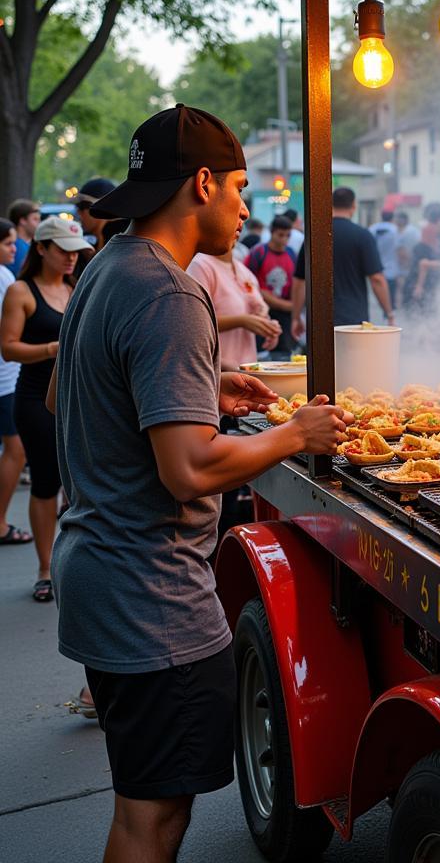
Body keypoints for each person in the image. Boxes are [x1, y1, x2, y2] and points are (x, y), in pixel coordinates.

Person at [49, 103, 348, 863]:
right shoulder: (174, 294)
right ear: (204, 183)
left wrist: (201, 388)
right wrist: (294, 435)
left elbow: (70, 395)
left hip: (100, 577)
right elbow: (187, 470)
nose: (248, 207)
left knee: (138, 810)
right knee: (155, 822)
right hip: (151, 600)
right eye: (241, 186)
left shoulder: (105, 267)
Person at [0, 216, 90, 601]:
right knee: (45, 483)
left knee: (77, 484)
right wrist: (54, 348)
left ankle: (71, 563)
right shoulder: (21, 290)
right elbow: (8, 347)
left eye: (76, 252)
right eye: (63, 251)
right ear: (40, 249)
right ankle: (44, 569)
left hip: (75, 399)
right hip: (35, 399)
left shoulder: (75, 286)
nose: (71, 259)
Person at [291, 186, 394, 339]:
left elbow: (300, 281)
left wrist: (296, 317)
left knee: (322, 363)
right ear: (353, 206)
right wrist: (388, 312)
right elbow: (377, 279)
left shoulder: (315, 235)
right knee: (352, 362)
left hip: (319, 319)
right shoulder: (362, 236)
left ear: (330, 204)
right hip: (353, 319)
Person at [187, 242, 280, 371]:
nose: (240, 223)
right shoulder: (200, 266)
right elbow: (195, 324)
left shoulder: (244, 271)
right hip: (217, 371)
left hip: (247, 369)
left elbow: (258, 310)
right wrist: (242, 321)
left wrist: (268, 327)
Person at [0, 217, 29, 547]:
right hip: (6, 382)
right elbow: (9, 343)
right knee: (15, 450)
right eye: (8, 243)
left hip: (7, 380)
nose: (13, 249)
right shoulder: (6, 279)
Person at [244, 215, 296, 358]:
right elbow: (247, 283)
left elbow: (296, 283)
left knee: (284, 355)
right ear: (272, 232)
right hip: (262, 312)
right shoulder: (258, 252)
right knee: (261, 355)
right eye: (280, 235)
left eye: (287, 235)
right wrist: (284, 304)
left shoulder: (291, 254)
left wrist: (294, 306)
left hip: (285, 316)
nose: (284, 239)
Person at [402, 205, 440, 319]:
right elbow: (424, 263)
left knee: (420, 316)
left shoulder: (428, 229)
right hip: (421, 283)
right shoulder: (433, 230)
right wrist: (419, 286)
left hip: (418, 281)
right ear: (439, 219)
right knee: (423, 315)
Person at [75, 178, 118, 251]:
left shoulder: (120, 244)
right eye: (77, 206)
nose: (78, 211)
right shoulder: (86, 245)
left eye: (83, 206)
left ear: (103, 207)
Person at [370, 209, 399, 308]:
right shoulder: (395, 230)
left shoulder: (372, 229)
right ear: (392, 217)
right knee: (391, 299)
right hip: (392, 270)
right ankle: (389, 316)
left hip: (375, 270)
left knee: (378, 298)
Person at [7, 199, 41, 277]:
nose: (39, 223)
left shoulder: (27, 244)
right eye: (35, 219)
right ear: (23, 221)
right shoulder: (15, 247)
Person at [395, 209, 421, 307]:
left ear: (402, 220)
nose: (395, 222)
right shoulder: (415, 230)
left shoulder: (403, 233)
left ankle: (404, 310)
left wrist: (405, 263)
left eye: (397, 219)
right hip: (415, 266)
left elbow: (401, 252)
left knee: (403, 291)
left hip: (405, 268)